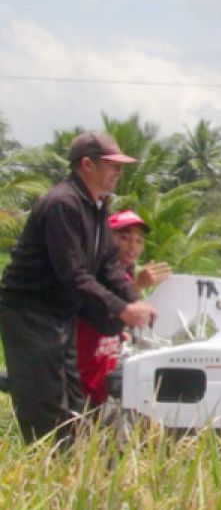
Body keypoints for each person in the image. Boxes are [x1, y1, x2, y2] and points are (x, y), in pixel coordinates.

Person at [0, 131, 156, 444]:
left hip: (61, 314)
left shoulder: (96, 207)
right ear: (87, 164)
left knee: (74, 405)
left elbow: (108, 266)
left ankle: (69, 474)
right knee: (47, 408)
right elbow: (73, 273)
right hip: (32, 313)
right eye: (112, 165)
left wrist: (132, 299)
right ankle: (44, 475)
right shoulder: (63, 204)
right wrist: (122, 309)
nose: (118, 172)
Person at [76, 210, 172, 407]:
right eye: (124, 238)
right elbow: (107, 306)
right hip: (83, 361)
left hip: (103, 362)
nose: (132, 246)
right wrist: (138, 286)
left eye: (139, 241)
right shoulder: (93, 273)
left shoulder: (124, 276)